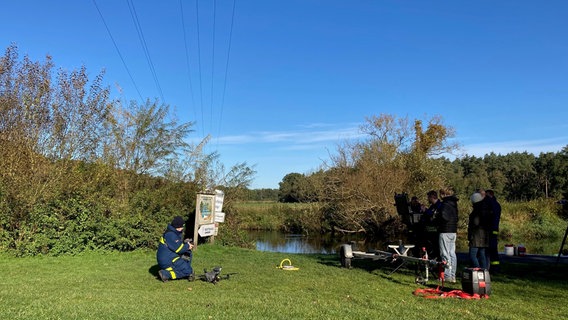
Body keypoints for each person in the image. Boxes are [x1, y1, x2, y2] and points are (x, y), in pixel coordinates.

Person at [156, 216, 194, 282]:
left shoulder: (172, 232)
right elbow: (179, 249)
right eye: (182, 226)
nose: (182, 228)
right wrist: (187, 246)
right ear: (178, 227)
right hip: (168, 260)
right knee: (188, 270)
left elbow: (176, 245)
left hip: (168, 257)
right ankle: (166, 274)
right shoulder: (171, 235)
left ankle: (175, 269)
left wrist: (185, 244)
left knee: (188, 254)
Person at [434, 188, 459, 283]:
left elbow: (444, 217)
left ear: (443, 194)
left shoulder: (445, 204)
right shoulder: (454, 204)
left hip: (445, 230)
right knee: (452, 254)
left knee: (445, 254)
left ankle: (447, 275)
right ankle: (453, 275)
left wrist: (437, 216)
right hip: (453, 231)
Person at [468, 192, 490, 269]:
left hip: (476, 236)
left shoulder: (476, 212)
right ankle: (484, 271)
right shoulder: (486, 210)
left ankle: (478, 270)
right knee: (482, 255)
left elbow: (475, 224)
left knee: (472, 255)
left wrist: (470, 235)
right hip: (484, 236)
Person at [485, 189, 501, 272]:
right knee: (494, 250)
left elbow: (488, 217)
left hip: (489, 229)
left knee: (488, 250)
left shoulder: (490, 204)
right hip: (494, 229)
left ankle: (488, 268)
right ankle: (495, 267)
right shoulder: (497, 204)